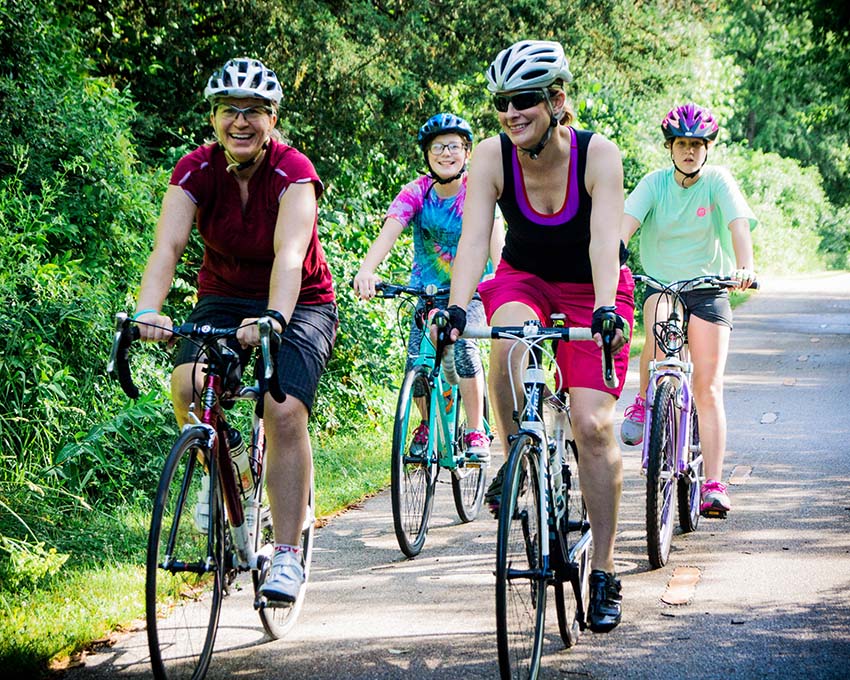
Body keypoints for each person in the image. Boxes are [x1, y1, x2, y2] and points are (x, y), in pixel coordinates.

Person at [440, 40, 634, 633]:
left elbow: (605, 242)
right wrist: (454, 307)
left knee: (594, 426)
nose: (511, 113)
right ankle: (515, 456)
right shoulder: (493, 158)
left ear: (557, 100)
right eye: (502, 102)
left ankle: (602, 569)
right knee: (505, 342)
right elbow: (475, 241)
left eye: (524, 100)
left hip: (590, 286)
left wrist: (604, 307)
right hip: (525, 278)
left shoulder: (599, 155)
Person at [132, 57, 337, 604]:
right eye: (229, 111)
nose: (240, 122)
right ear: (214, 117)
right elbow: (168, 247)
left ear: (273, 119)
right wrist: (149, 309)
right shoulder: (194, 170)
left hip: (300, 299)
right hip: (223, 297)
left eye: (254, 112)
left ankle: (288, 554)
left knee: (283, 407)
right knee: (188, 385)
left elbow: (290, 255)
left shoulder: (294, 172)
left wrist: (273, 318)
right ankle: (230, 483)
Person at [619, 102, 756, 517]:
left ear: (708, 148)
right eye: (682, 144)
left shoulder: (717, 182)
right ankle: (647, 401)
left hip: (709, 287)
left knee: (708, 388)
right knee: (659, 332)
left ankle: (713, 483)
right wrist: (613, 256)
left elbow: (737, 226)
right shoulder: (654, 183)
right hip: (662, 285)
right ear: (670, 147)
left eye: (697, 144)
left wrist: (745, 267)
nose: (690, 152)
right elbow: (625, 226)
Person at [353, 113, 504, 463]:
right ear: (427, 155)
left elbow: (496, 244)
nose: (446, 153)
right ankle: (425, 423)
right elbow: (390, 231)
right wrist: (366, 270)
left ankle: (474, 428)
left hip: (472, 292)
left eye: (454, 146)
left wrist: (503, 283)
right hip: (427, 291)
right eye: (438, 147)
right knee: (416, 363)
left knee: (464, 349)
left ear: (467, 152)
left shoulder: (477, 193)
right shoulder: (417, 192)